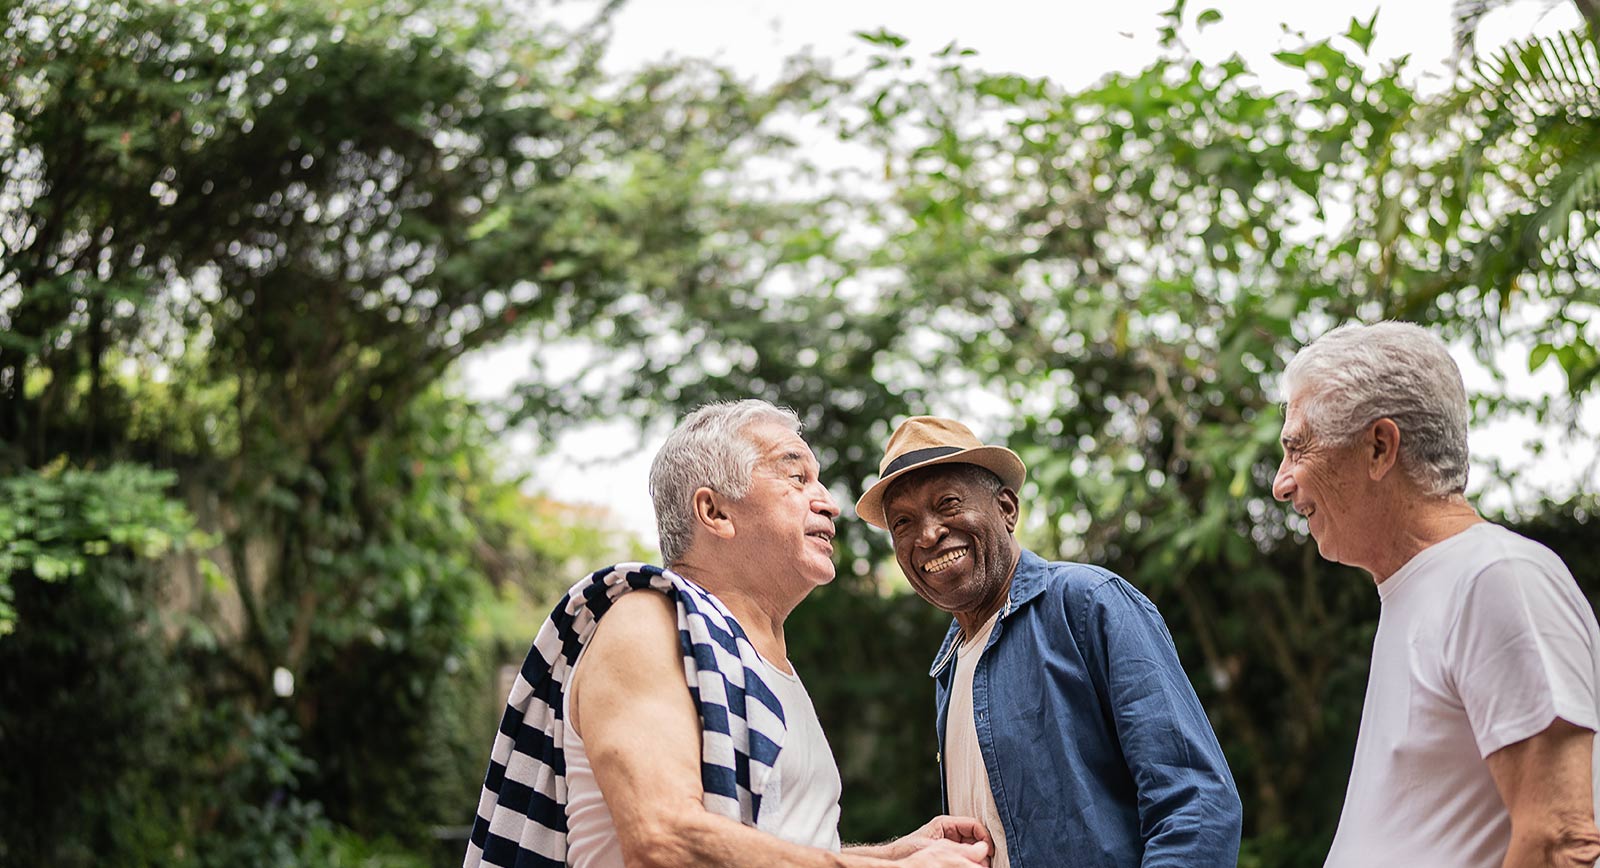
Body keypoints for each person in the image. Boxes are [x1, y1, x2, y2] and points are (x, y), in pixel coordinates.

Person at [466, 399, 992, 868]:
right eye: (796, 477)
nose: (829, 502)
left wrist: (898, 852)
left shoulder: (758, 663)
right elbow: (664, 842)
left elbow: (769, 845)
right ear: (714, 512)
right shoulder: (647, 619)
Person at [1271, 321, 1600, 868]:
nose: (1282, 482)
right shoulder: (1426, 588)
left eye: (1298, 447)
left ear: (1380, 446)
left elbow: (1560, 839)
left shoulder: (1497, 577)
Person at [855, 416, 1243, 868]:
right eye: (902, 522)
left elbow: (1197, 803)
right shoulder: (951, 664)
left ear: (1006, 509)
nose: (927, 534)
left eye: (948, 503)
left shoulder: (1087, 604)